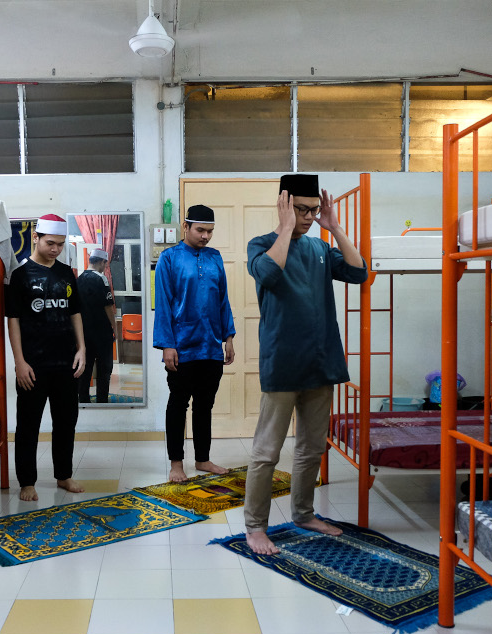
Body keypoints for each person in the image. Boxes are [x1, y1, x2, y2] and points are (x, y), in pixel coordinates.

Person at [243, 174, 368, 554]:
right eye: (302, 209)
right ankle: (254, 526)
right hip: (283, 363)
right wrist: (285, 228)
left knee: (311, 448)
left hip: (321, 361)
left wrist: (334, 226)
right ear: (284, 204)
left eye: (314, 210)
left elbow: (359, 271)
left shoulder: (318, 247)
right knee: (267, 452)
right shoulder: (262, 244)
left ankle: (303, 512)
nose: (309, 217)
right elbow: (268, 274)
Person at [6, 214, 86, 501]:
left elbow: (74, 312)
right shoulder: (20, 275)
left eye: (60, 245)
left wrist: (82, 348)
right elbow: (13, 320)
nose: (55, 249)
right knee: (28, 425)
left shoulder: (67, 273)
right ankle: (27, 482)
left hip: (65, 362)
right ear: (36, 238)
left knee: (66, 421)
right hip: (34, 364)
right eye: (50, 243)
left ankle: (63, 475)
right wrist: (19, 361)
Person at [153, 204, 236, 483]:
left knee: (205, 405)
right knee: (178, 404)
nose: (205, 236)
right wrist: (167, 344)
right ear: (185, 227)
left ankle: (203, 459)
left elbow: (223, 299)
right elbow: (163, 303)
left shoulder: (215, 258)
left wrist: (229, 338)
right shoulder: (169, 258)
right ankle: (177, 463)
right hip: (181, 346)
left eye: (210, 231)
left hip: (211, 345)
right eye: (200, 230)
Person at [77, 247, 116, 404]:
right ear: (102, 262)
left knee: (84, 369)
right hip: (102, 334)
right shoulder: (101, 278)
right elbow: (108, 307)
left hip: (84, 333)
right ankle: (102, 400)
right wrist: (114, 328)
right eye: (105, 264)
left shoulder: (78, 278)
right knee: (104, 369)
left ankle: (83, 400)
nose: (105, 267)